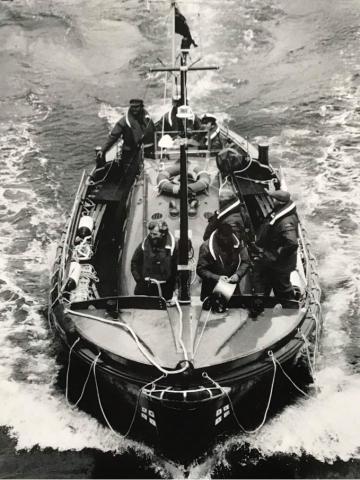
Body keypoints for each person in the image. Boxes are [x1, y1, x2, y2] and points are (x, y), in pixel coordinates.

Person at [251, 189, 299, 315]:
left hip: (280, 264)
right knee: (264, 280)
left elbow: (292, 243)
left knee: (283, 289)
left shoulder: (285, 222)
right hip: (272, 261)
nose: (272, 201)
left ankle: (292, 313)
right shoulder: (280, 214)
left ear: (279, 202)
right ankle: (263, 307)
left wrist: (275, 255)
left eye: (274, 199)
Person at [97, 98, 155, 175]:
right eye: (132, 107)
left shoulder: (147, 119)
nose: (135, 109)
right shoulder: (123, 122)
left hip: (147, 152)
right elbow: (113, 136)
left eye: (137, 107)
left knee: (149, 172)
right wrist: (103, 149)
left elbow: (154, 132)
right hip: (129, 153)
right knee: (129, 174)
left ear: (141, 107)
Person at [197, 222, 250, 301]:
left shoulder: (239, 244)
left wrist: (238, 275)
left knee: (235, 310)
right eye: (223, 239)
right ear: (218, 235)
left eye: (227, 239)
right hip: (211, 289)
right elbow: (201, 269)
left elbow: (246, 262)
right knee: (211, 311)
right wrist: (217, 278)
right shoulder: (206, 247)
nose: (226, 242)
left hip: (232, 289)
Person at [131, 220, 177, 300]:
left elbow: (177, 269)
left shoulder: (173, 247)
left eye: (155, 234)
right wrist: (139, 280)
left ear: (162, 234)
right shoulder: (144, 244)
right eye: (151, 233)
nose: (151, 236)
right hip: (145, 288)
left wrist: (174, 287)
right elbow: (134, 263)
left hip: (165, 290)